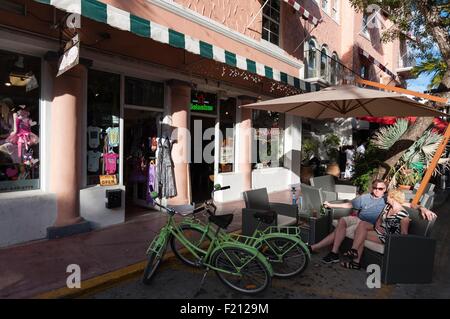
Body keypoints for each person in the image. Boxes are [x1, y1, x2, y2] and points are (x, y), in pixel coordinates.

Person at [308, 179, 436, 264]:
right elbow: (349, 205)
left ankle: (320, 249)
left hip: (369, 226)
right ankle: (334, 252)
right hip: (358, 220)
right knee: (342, 221)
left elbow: (409, 205)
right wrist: (331, 205)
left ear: (385, 190)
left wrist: (422, 208)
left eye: (380, 189)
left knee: (346, 229)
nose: (377, 191)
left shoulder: (388, 199)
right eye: (375, 188)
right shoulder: (365, 197)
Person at [340, 189, 410, 270]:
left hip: (389, 238)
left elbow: (404, 234)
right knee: (362, 224)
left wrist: (396, 247)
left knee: (361, 234)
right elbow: (379, 219)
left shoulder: (404, 215)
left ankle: (355, 261)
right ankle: (354, 251)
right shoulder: (388, 207)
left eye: (387, 196)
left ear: (393, 197)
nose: (386, 197)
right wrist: (378, 225)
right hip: (380, 230)